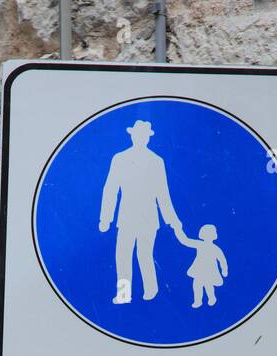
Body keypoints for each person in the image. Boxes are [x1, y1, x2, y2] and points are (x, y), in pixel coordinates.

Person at [98, 120, 183, 304]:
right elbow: (110, 189)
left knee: (144, 254)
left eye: (144, 136)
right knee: (123, 256)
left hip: (148, 218)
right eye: (138, 135)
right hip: (126, 216)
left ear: (148, 138)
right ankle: (123, 294)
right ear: (132, 136)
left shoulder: (156, 161)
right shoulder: (119, 159)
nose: (141, 138)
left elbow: (163, 194)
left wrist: (173, 221)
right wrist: (105, 219)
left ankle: (151, 290)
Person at [178, 223, 228, 307]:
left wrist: (224, 270)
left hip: (210, 270)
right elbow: (186, 241)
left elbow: (222, 260)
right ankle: (198, 301)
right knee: (197, 285)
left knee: (208, 285)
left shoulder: (215, 248)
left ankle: (212, 298)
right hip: (199, 269)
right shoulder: (200, 244)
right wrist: (178, 231)